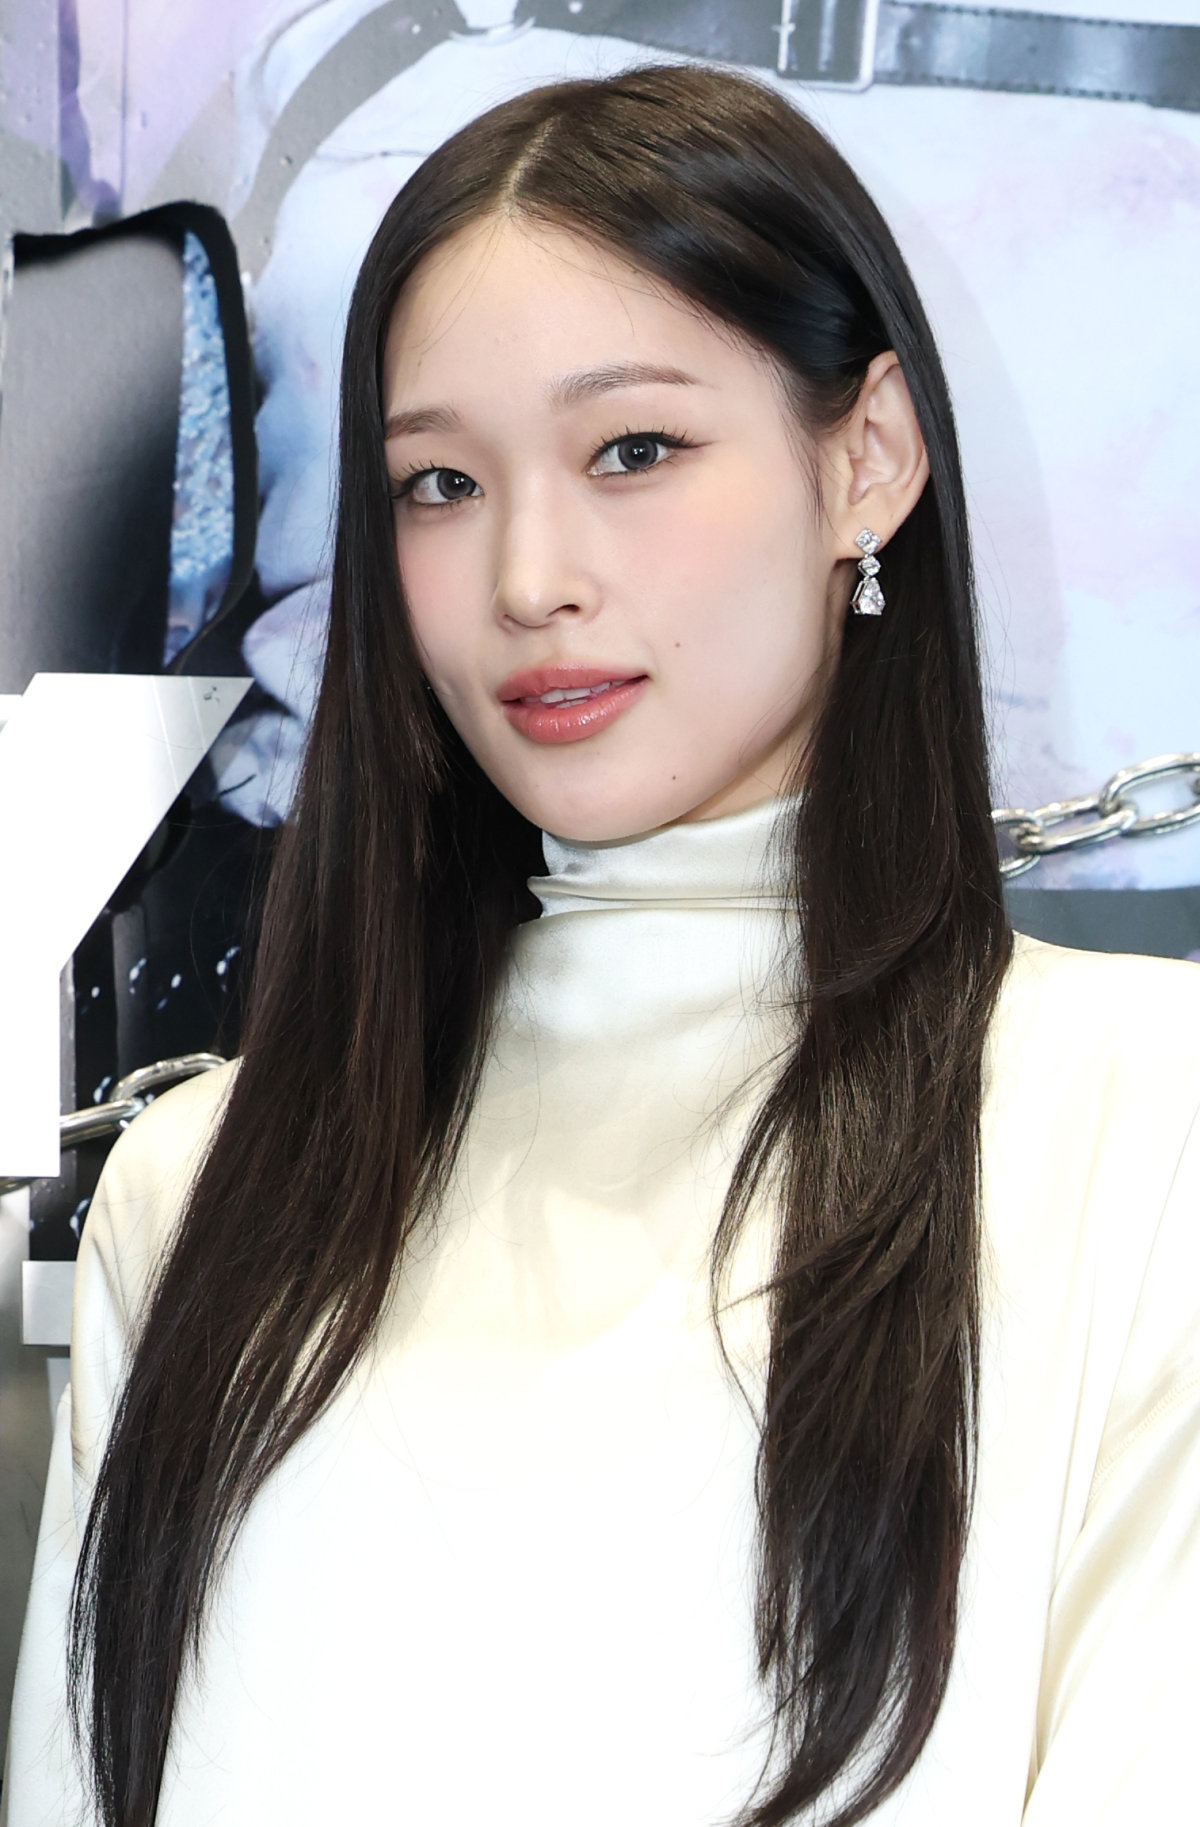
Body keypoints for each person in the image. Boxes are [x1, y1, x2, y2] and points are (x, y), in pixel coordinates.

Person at [5, 61, 1200, 1827]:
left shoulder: (1142, 1125)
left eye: (633, 450)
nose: (527, 577)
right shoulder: (199, 1191)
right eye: (438, 483)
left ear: (867, 458)